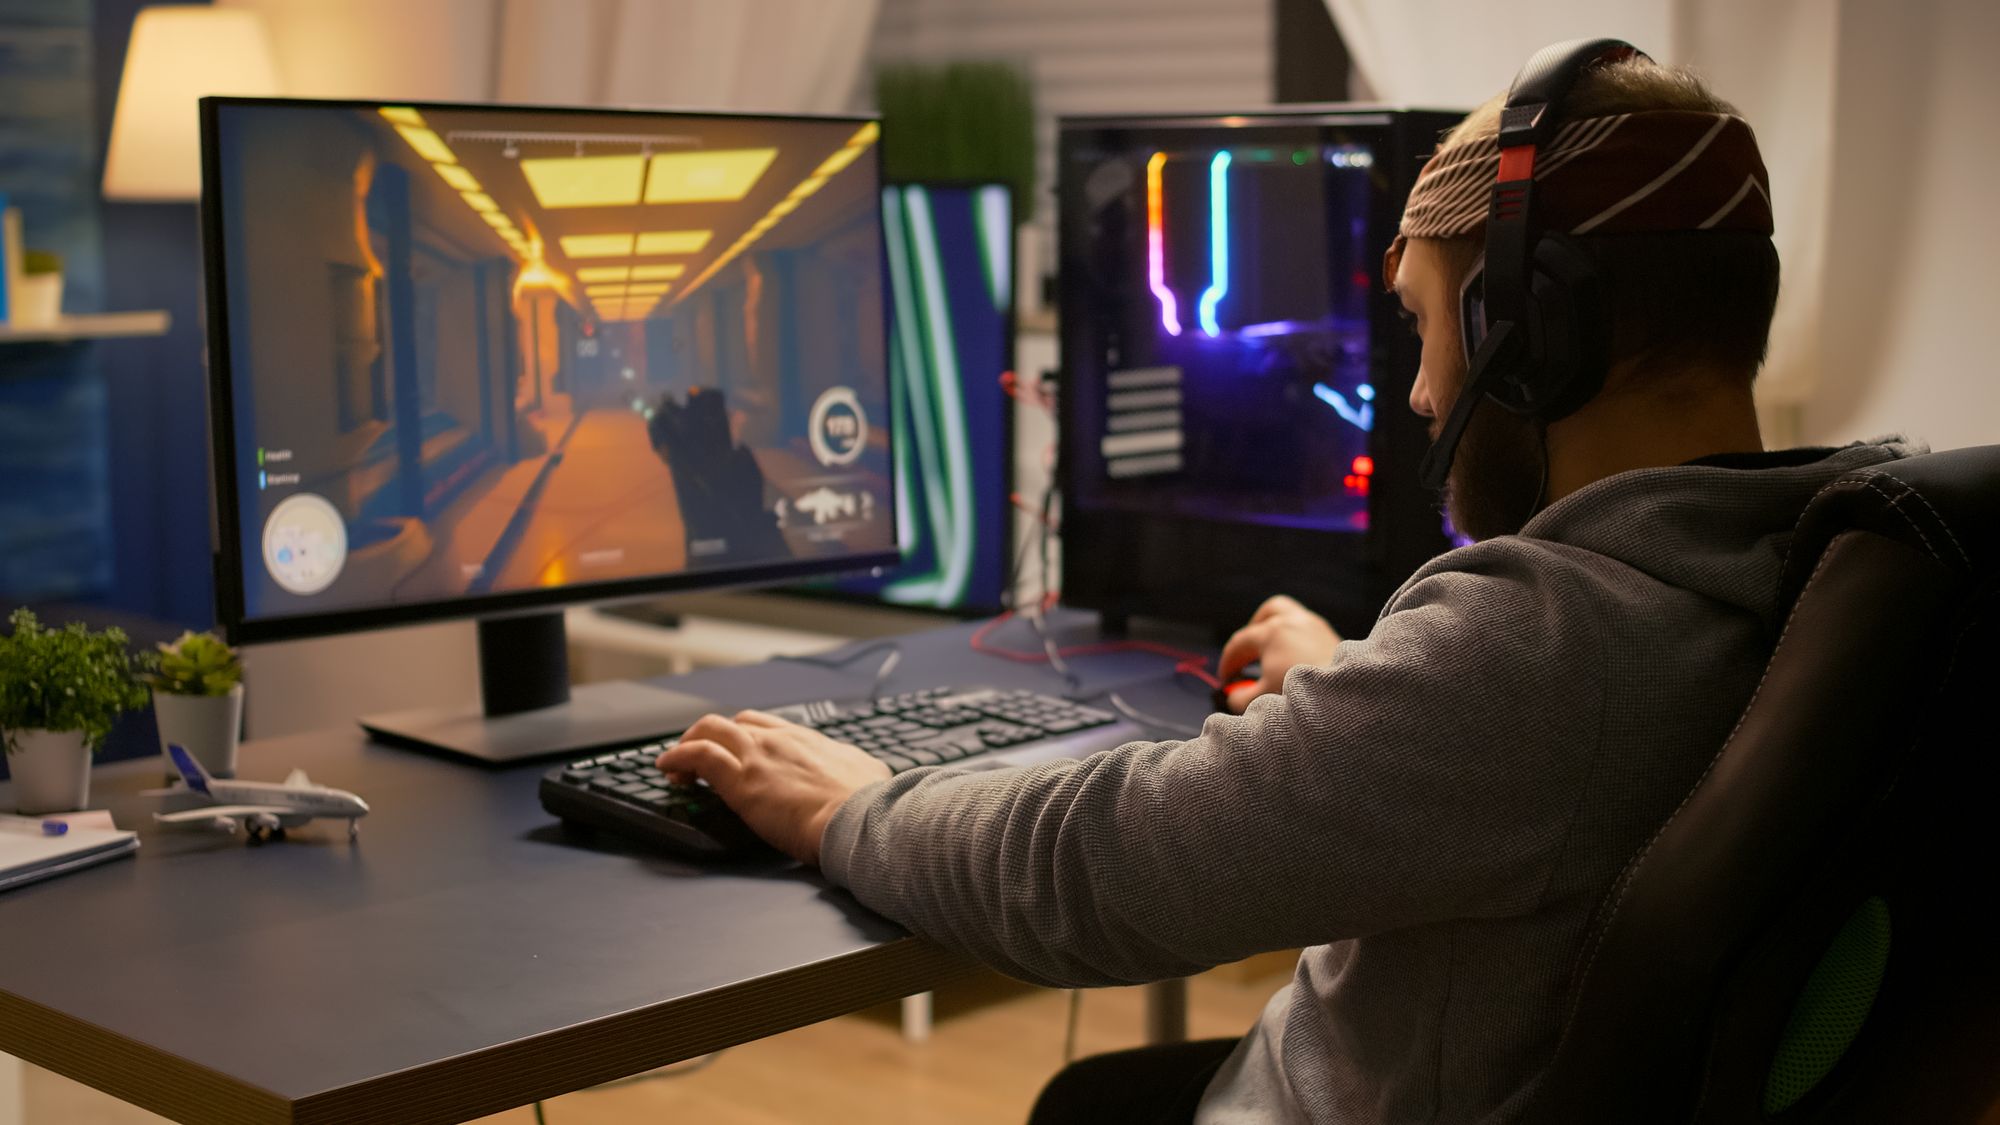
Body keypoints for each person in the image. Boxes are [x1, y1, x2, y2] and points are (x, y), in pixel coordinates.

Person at [656, 45, 1917, 1124]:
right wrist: (1367, 693)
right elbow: (1532, 755)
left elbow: (1095, 873)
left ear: (1527, 334)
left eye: (1425, 328)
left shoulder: (1539, 645)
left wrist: (849, 808)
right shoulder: (1845, 558)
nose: (1421, 395)